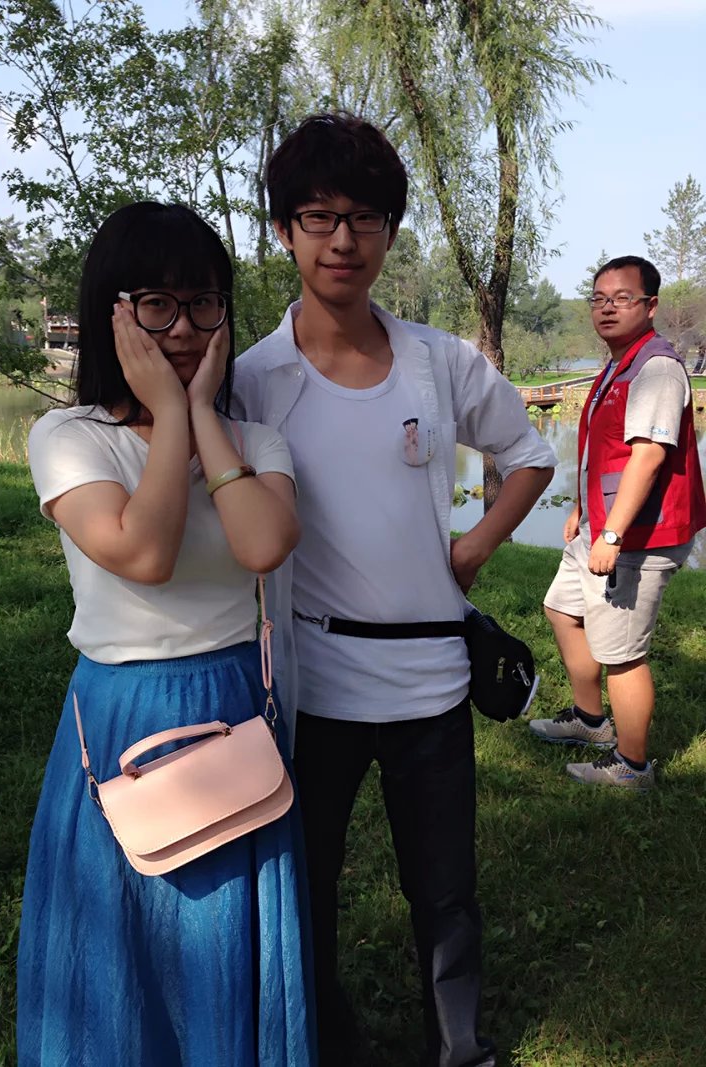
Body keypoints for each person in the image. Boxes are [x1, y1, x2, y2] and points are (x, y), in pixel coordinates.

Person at [232, 112, 556, 1067]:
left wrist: (475, 546)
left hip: (431, 682)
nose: (342, 240)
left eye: (364, 217)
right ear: (285, 230)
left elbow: (529, 454)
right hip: (314, 686)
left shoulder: (437, 361)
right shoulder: (255, 379)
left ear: (388, 230)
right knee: (310, 885)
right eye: (318, 217)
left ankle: (460, 1045)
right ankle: (327, 1040)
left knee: (445, 888)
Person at [16, 202, 316, 1066]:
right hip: (124, 707)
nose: (183, 328)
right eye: (157, 304)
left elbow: (262, 543)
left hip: (233, 705)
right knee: (121, 937)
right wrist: (168, 414)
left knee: (220, 933)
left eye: (203, 303)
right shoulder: (68, 437)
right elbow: (142, 553)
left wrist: (200, 416)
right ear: (113, 312)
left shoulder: (255, 439)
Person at [529, 255, 706, 790]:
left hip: (637, 536)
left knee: (623, 654)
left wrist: (611, 534)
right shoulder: (617, 364)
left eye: (623, 298)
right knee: (562, 609)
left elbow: (648, 457)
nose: (608, 308)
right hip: (601, 526)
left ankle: (632, 767)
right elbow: (604, 451)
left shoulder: (656, 368)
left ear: (650, 306)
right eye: (599, 299)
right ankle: (590, 721)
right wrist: (581, 510)